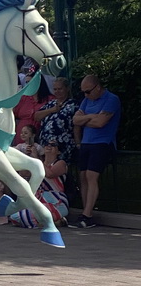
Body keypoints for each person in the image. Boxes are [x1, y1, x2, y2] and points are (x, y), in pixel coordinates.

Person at [70, 74, 121, 228]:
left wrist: (86, 119)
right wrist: (91, 117)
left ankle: (87, 214)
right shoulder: (86, 100)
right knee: (83, 175)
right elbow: (75, 120)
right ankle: (86, 213)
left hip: (102, 143)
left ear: (97, 87)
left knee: (92, 176)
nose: (85, 95)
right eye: (83, 92)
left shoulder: (111, 99)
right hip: (87, 143)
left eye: (88, 91)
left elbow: (100, 123)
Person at [10, 142, 69, 228]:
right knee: (14, 217)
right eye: (47, 144)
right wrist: (28, 157)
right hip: (40, 199)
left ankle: (46, 221)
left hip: (56, 200)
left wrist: (36, 158)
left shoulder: (61, 163)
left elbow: (49, 174)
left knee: (30, 216)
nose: (49, 146)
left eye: (53, 145)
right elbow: (23, 173)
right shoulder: (37, 163)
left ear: (58, 151)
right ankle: (53, 221)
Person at [34, 76, 77, 160]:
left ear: (67, 88)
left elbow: (76, 124)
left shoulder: (73, 105)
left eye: (60, 89)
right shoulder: (51, 104)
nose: (57, 92)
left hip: (63, 144)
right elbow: (36, 116)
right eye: (55, 89)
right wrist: (52, 110)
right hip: (46, 144)